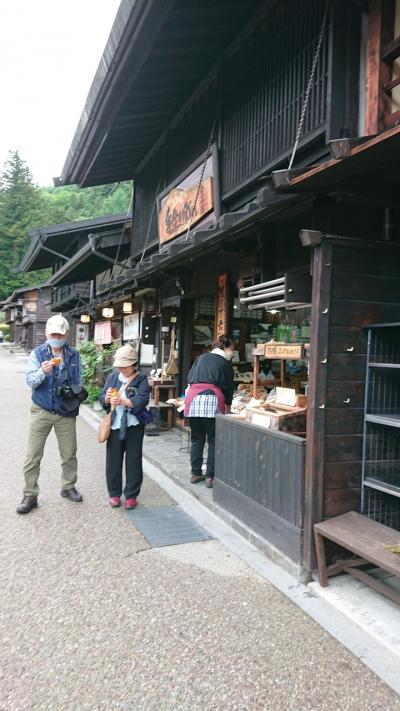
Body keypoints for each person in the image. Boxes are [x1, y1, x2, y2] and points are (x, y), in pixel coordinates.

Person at [17, 313, 84, 514]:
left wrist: (75, 392)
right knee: (33, 454)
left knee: (69, 453)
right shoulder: (37, 354)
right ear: (47, 333)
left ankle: (68, 486)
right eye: (53, 333)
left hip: (66, 411)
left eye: (60, 334)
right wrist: (42, 372)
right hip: (42, 409)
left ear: (66, 334)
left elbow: (79, 381)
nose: (56, 337)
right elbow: (30, 382)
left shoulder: (75, 355)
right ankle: (30, 494)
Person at [99, 344, 151, 509]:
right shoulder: (112, 377)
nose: (121, 369)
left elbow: (143, 399)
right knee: (113, 461)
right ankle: (114, 494)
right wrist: (107, 398)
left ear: (133, 364)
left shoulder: (141, 378)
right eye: (119, 366)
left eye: (125, 366)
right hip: (115, 424)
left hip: (134, 425)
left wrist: (124, 401)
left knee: (133, 460)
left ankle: (131, 495)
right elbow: (102, 399)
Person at [184, 335, 235, 489]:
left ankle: (195, 473)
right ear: (225, 347)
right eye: (232, 349)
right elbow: (228, 388)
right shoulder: (224, 363)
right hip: (212, 400)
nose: (233, 352)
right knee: (213, 440)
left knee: (196, 439)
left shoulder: (200, 358)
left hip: (193, 400)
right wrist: (228, 408)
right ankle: (210, 476)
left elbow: (190, 378)